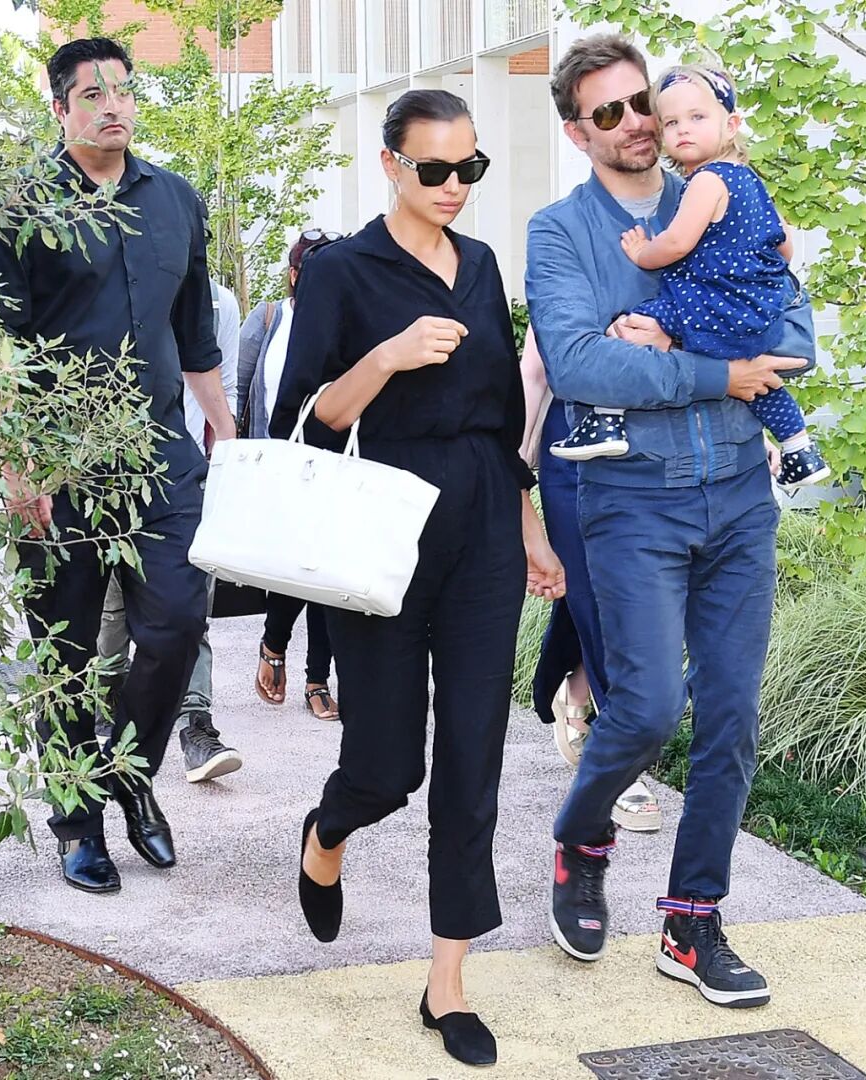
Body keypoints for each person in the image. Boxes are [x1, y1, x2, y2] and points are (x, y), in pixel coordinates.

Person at [271, 90, 565, 1067]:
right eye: (433, 169)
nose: (453, 187)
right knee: (388, 764)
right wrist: (387, 359)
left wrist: (529, 527)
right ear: (390, 164)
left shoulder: (479, 265)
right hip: (383, 523)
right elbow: (304, 419)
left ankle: (448, 985)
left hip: (482, 521)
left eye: (468, 168)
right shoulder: (341, 272)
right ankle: (327, 833)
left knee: (474, 755)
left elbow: (498, 415)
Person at [526, 34, 816, 1007]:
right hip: (632, 500)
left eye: (643, 100)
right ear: (579, 133)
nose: (638, 122)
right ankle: (582, 836)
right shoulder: (561, 233)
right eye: (608, 111)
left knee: (731, 716)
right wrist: (721, 372)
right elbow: (582, 365)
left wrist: (682, 350)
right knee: (647, 708)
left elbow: (796, 338)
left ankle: (693, 922)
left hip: (738, 495)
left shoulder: (736, 193)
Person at [0, 37, 236, 893]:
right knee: (66, 653)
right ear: (60, 109)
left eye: (123, 90)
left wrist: (227, 434)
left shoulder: (177, 200)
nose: (113, 105)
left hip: (160, 458)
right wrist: (17, 465)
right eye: (92, 94)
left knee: (176, 623)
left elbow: (195, 338)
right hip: (55, 465)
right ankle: (77, 823)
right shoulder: (17, 208)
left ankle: (127, 773)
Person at [551, 64, 830, 494]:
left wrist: (643, 253)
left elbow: (677, 242)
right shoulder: (752, 183)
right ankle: (799, 449)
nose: (682, 130)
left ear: (731, 124)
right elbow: (785, 248)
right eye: (671, 122)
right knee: (760, 383)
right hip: (756, 313)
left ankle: (606, 421)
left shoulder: (706, 180)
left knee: (629, 328)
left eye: (697, 118)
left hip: (711, 306)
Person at [97, 278, 245, 784]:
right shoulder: (110, 278)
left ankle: (195, 726)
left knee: (188, 611)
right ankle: (106, 701)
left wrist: (225, 462)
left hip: (184, 475)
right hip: (107, 472)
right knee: (112, 610)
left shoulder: (218, 301)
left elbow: (221, 383)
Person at [520, 327, 661, 831]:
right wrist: (514, 472)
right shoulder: (567, 283)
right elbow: (535, 373)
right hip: (573, 450)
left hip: (657, 446)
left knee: (621, 595)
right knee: (595, 594)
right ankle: (620, 763)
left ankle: (576, 686)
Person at [238, 230, 341, 720]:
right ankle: (273, 646)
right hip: (281, 462)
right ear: (295, 275)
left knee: (327, 572)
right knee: (292, 567)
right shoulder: (269, 319)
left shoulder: (350, 321)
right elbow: (240, 389)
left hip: (338, 463)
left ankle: (317, 679)